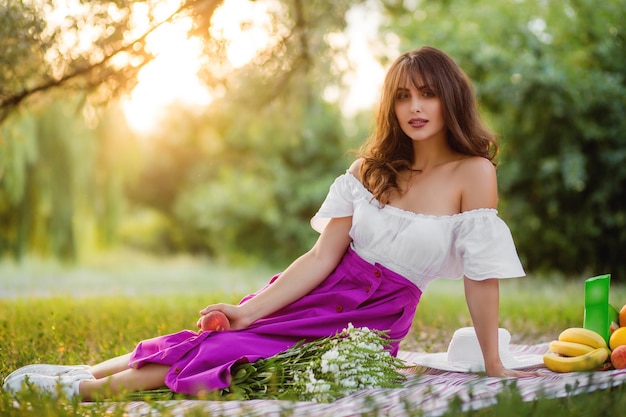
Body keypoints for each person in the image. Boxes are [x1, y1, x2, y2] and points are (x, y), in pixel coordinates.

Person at [3, 46, 539, 401]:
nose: (415, 107)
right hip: (314, 292)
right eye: (403, 96)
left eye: (427, 94)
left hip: (367, 324)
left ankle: (83, 392)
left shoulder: (473, 172)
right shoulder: (368, 171)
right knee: (224, 333)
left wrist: (493, 363)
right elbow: (322, 257)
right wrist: (247, 308)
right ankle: (85, 374)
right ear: (390, 107)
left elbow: (481, 276)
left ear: (451, 98)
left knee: (231, 358)